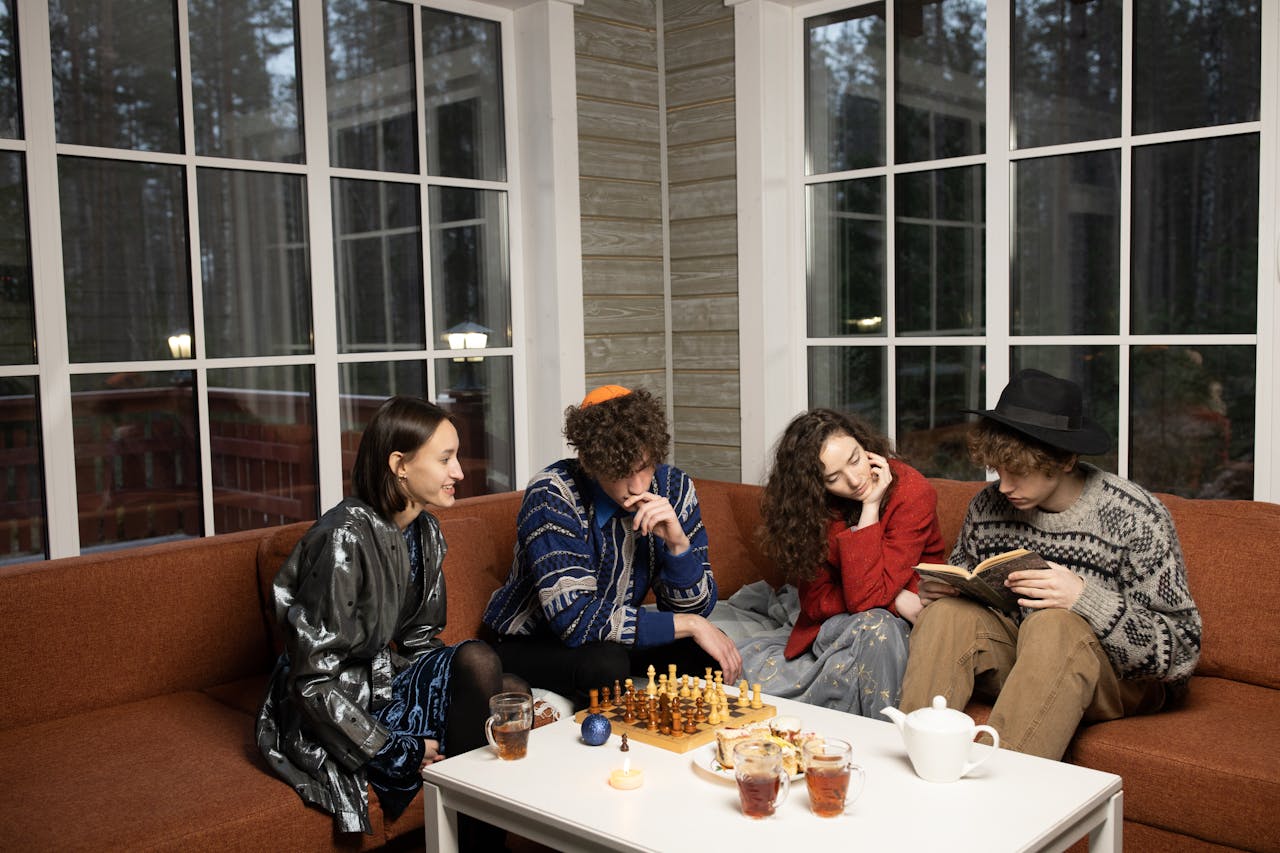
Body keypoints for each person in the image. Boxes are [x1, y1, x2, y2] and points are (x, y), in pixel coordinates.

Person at [901, 369, 1202, 760]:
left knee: (1053, 622)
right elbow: (966, 586)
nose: (1004, 486)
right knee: (948, 615)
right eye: (999, 470)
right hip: (1025, 660)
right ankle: (913, 765)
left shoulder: (1135, 515)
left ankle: (1004, 792)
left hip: (1118, 678)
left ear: (1066, 460)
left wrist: (1084, 599)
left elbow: (1182, 652)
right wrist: (940, 592)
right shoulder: (989, 506)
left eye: (1019, 472)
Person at [255, 396, 512, 836]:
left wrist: (442, 703)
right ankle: (478, 843)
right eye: (446, 459)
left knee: (509, 691)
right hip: (331, 702)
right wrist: (393, 747)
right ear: (400, 464)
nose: (460, 473)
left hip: (384, 678)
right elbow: (311, 680)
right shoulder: (342, 538)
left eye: (458, 458)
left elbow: (420, 641)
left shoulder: (426, 531)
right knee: (479, 663)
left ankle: (474, 834)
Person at [482, 385, 742, 709]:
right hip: (531, 642)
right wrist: (690, 625)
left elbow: (694, 611)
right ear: (591, 463)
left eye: (645, 466)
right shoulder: (552, 493)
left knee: (711, 650)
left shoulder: (674, 488)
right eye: (621, 473)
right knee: (607, 664)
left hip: (611, 638)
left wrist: (677, 545)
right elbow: (574, 620)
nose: (637, 485)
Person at [729, 409, 946, 717]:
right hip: (836, 626)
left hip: (914, 626)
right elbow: (818, 601)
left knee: (879, 628)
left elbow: (869, 599)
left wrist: (878, 594)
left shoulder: (911, 492)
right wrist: (870, 510)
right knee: (876, 623)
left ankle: (878, 740)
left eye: (855, 459)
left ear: (864, 442)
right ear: (816, 484)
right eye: (833, 478)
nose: (855, 480)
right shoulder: (814, 508)